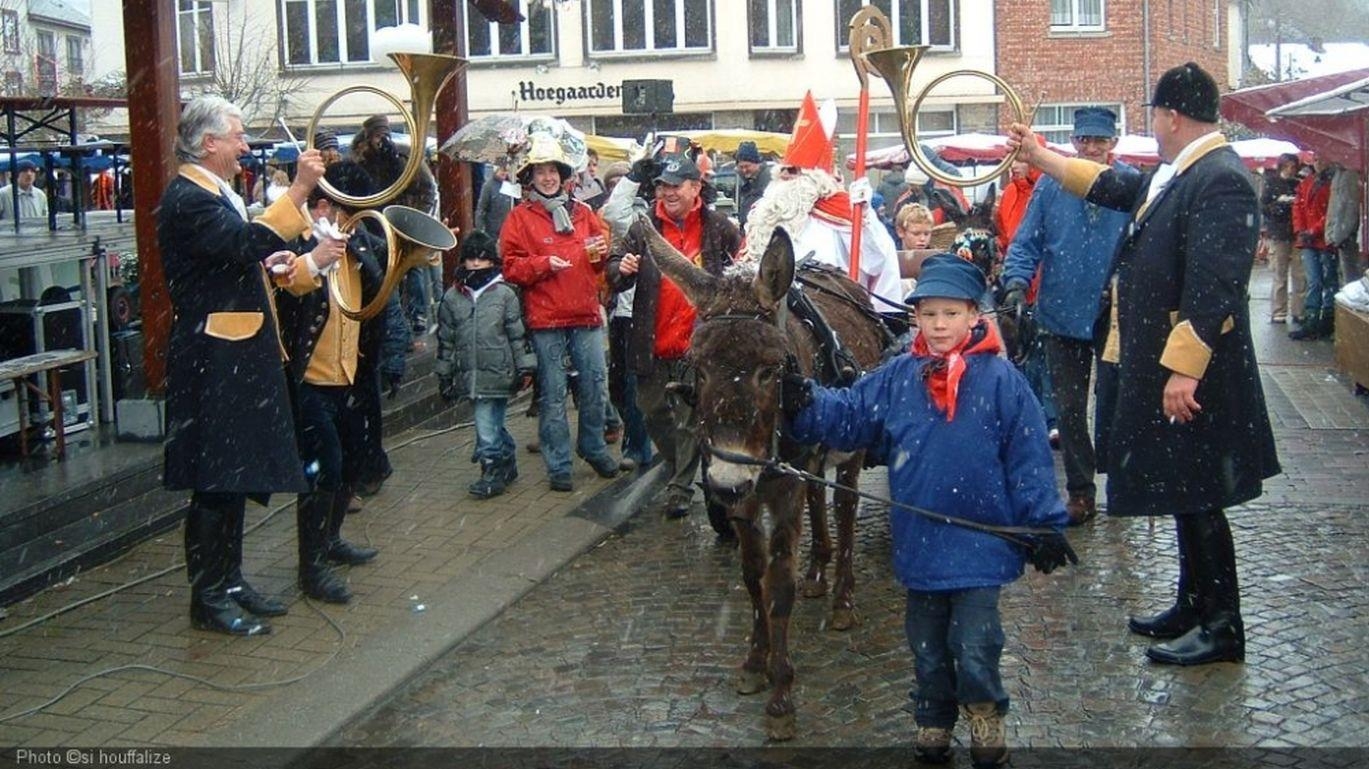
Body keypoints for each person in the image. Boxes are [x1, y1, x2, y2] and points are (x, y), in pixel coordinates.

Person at [1008, 61, 1281, 666]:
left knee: (1204, 497)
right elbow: (1109, 185)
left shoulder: (1219, 178)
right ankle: (1192, 603)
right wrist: (1041, 156)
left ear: (1172, 116)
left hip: (1200, 375)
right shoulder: (1180, 173)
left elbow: (1216, 287)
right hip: (1178, 369)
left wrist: (1184, 370)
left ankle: (1222, 625)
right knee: (1188, 492)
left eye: (1155, 115)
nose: (1152, 127)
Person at [783, 255, 1074, 769]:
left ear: (972, 315)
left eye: (950, 314)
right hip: (920, 546)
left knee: (977, 643)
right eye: (928, 315)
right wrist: (804, 401)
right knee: (927, 647)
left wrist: (1045, 522)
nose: (939, 326)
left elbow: (1029, 456)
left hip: (983, 544)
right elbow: (850, 415)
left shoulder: (1003, 382)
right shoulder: (899, 377)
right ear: (915, 317)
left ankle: (985, 714)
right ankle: (934, 716)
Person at [157, 95, 332, 636]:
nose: (244, 146)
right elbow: (236, 243)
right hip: (215, 356)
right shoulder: (188, 197)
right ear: (208, 142)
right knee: (215, 481)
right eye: (236, 136)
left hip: (233, 354)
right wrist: (300, 190)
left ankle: (229, 581)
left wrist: (270, 261)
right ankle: (208, 596)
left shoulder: (213, 192)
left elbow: (237, 254)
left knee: (233, 477)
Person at [1000, 107, 1133, 525]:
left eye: (1100, 141)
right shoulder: (1051, 187)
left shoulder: (1129, 186)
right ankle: (1081, 491)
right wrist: (1016, 283)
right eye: (1084, 140)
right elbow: (1026, 242)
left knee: (1118, 404)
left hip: (1116, 315)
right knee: (1070, 410)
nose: (1091, 148)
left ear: (1113, 144)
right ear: (1074, 142)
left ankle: (1123, 483)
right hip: (1060, 311)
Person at [274, 160, 391, 605]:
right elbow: (285, 292)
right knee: (323, 470)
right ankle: (311, 566)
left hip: (350, 375)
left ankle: (332, 538)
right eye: (348, 210)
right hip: (309, 379)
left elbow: (378, 296)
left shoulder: (357, 244)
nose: (354, 219)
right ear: (322, 207)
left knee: (350, 463)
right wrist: (314, 258)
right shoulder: (295, 243)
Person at [608, 155, 743, 518]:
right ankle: (680, 463)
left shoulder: (719, 228)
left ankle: (680, 487)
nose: (666, 192)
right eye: (661, 186)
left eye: (674, 185)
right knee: (651, 412)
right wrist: (620, 268)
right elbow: (614, 263)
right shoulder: (644, 228)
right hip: (652, 342)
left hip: (697, 347)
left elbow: (744, 270)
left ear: (696, 187)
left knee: (687, 420)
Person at [499, 141, 620, 491]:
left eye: (553, 171)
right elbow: (511, 268)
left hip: (585, 313)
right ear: (530, 178)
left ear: (564, 176)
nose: (548, 178)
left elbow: (599, 258)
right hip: (546, 319)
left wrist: (599, 253)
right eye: (540, 172)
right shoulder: (519, 217)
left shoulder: (583, 212)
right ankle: (558, 464)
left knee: (596, 386)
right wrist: (542, 264)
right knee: (552, 394)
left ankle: (593, 446)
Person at [745, 91, 904, 321]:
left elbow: (876, 261)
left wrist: (866, 217)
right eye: (785, 171)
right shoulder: (764, 215)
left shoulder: (843, 212)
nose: (788, 177)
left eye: (796, 171)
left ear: (814, 178)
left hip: (831, 314)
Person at [436, 230, 536, 498]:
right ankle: (505, 459)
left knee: (486, 421)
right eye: (471, 259)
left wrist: (525, 367)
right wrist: (444, 374)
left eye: (482, 259)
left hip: (499, 370)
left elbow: (517, 335)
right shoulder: (452, 297)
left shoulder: (505, 295)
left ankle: (491, 468)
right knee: (490, 422)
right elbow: (446, 340)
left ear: (492, 261)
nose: (476, 264)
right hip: (471, 372)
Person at [1290, 155, 1338, 340]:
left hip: (1324, 239)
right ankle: (1313, 320)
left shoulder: (1330, 182)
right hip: (1311, 239)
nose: (1318, 162)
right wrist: (1302, 230)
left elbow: (1331, 213)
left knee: (1326, 280)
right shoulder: (1309, 182)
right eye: (1316, 158)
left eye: (1321, 158)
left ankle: (1324, 319)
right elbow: (1298, 207)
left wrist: (1312, 230)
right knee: (1315, 280)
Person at [1260, 153, 1304, 325]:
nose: (1291, 170)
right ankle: (1279, 311)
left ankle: (1298, 310)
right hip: (1280, 232)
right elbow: (1263, 206)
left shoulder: (1298, 183)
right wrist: (1278, 206)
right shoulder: (1271, 183)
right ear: (1282, 166)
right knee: (1280, 273)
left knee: (1299, 274)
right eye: (1288, 166)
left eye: (1293, 167)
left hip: (1296, 232)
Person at [1325, 163, 1363, 286]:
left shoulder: (1348, 176)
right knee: (1350, 277)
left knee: (1351, 279)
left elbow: (1347, 209)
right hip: (1346, 233)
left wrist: (1337, 234)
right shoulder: (1340, 174)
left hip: (1348, 234)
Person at [733, 140, 770, 228]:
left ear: (757, 163)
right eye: (741, 167)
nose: (744, 170)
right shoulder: (749, 181)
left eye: (747, 166)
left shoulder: (768, 181)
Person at [475, 164, 518, 241]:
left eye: (506, 170)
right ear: (496, 170)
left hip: (510, 230)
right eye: (502, 170)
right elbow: (481, 209)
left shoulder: (512, 184)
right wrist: (480, 230)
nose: (504, 173)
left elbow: (518, 205)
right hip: (493, 232)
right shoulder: (488, 186)